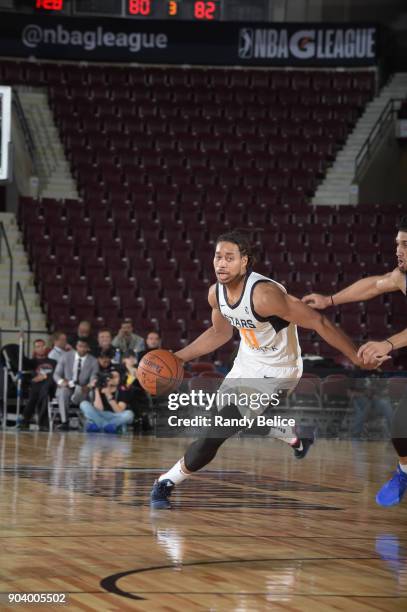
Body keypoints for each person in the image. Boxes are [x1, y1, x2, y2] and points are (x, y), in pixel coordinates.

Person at [150, 230, 383, 509]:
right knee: (228, 423)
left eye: (229, 258)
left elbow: (318, 322)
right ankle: (294, 435)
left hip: (279, 370)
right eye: (217, 257)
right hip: (248, 362)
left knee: (217, 430)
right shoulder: (216, 293)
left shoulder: (264, 295)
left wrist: (356, 356)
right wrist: (178, 357)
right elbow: (219, 333)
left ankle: (166, 481)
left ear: (244, 261)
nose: (221, 264)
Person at [302, 215, 407, 507]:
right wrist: (329, 300)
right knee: (401, 428)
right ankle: (404, 471)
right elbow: (375, 285)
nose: (398, 250)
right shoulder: (401, 275)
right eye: (398, 244)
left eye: (406, 245)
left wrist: (387, 343)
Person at [53, 339, 99, 430]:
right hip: (68, 385)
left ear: (88, 348)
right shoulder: (65, 357)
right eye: (79, 346)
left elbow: (94, 377)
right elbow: (56, 374)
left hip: (83, 388)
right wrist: (62, 382)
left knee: (90, 392)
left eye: (84, 347)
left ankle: (90, 421)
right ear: (76, 347)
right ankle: (64, 421)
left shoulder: (93, 361)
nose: (81, 349)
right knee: (63, 392)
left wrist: (89, 386)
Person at [17, 339, 56, 431]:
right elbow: (22, 361)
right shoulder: (32, 362)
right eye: (38, 346)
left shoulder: (53, 362)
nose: (41, 348)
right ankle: (40, 423)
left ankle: (27, 419)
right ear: (34, 349)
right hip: (37, 387)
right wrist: (22, 342)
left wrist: (45, 376)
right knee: (37, 393)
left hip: (50, 386)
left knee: (44, 389)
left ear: (46, 348)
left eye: (42, 346)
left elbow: (57, 375)